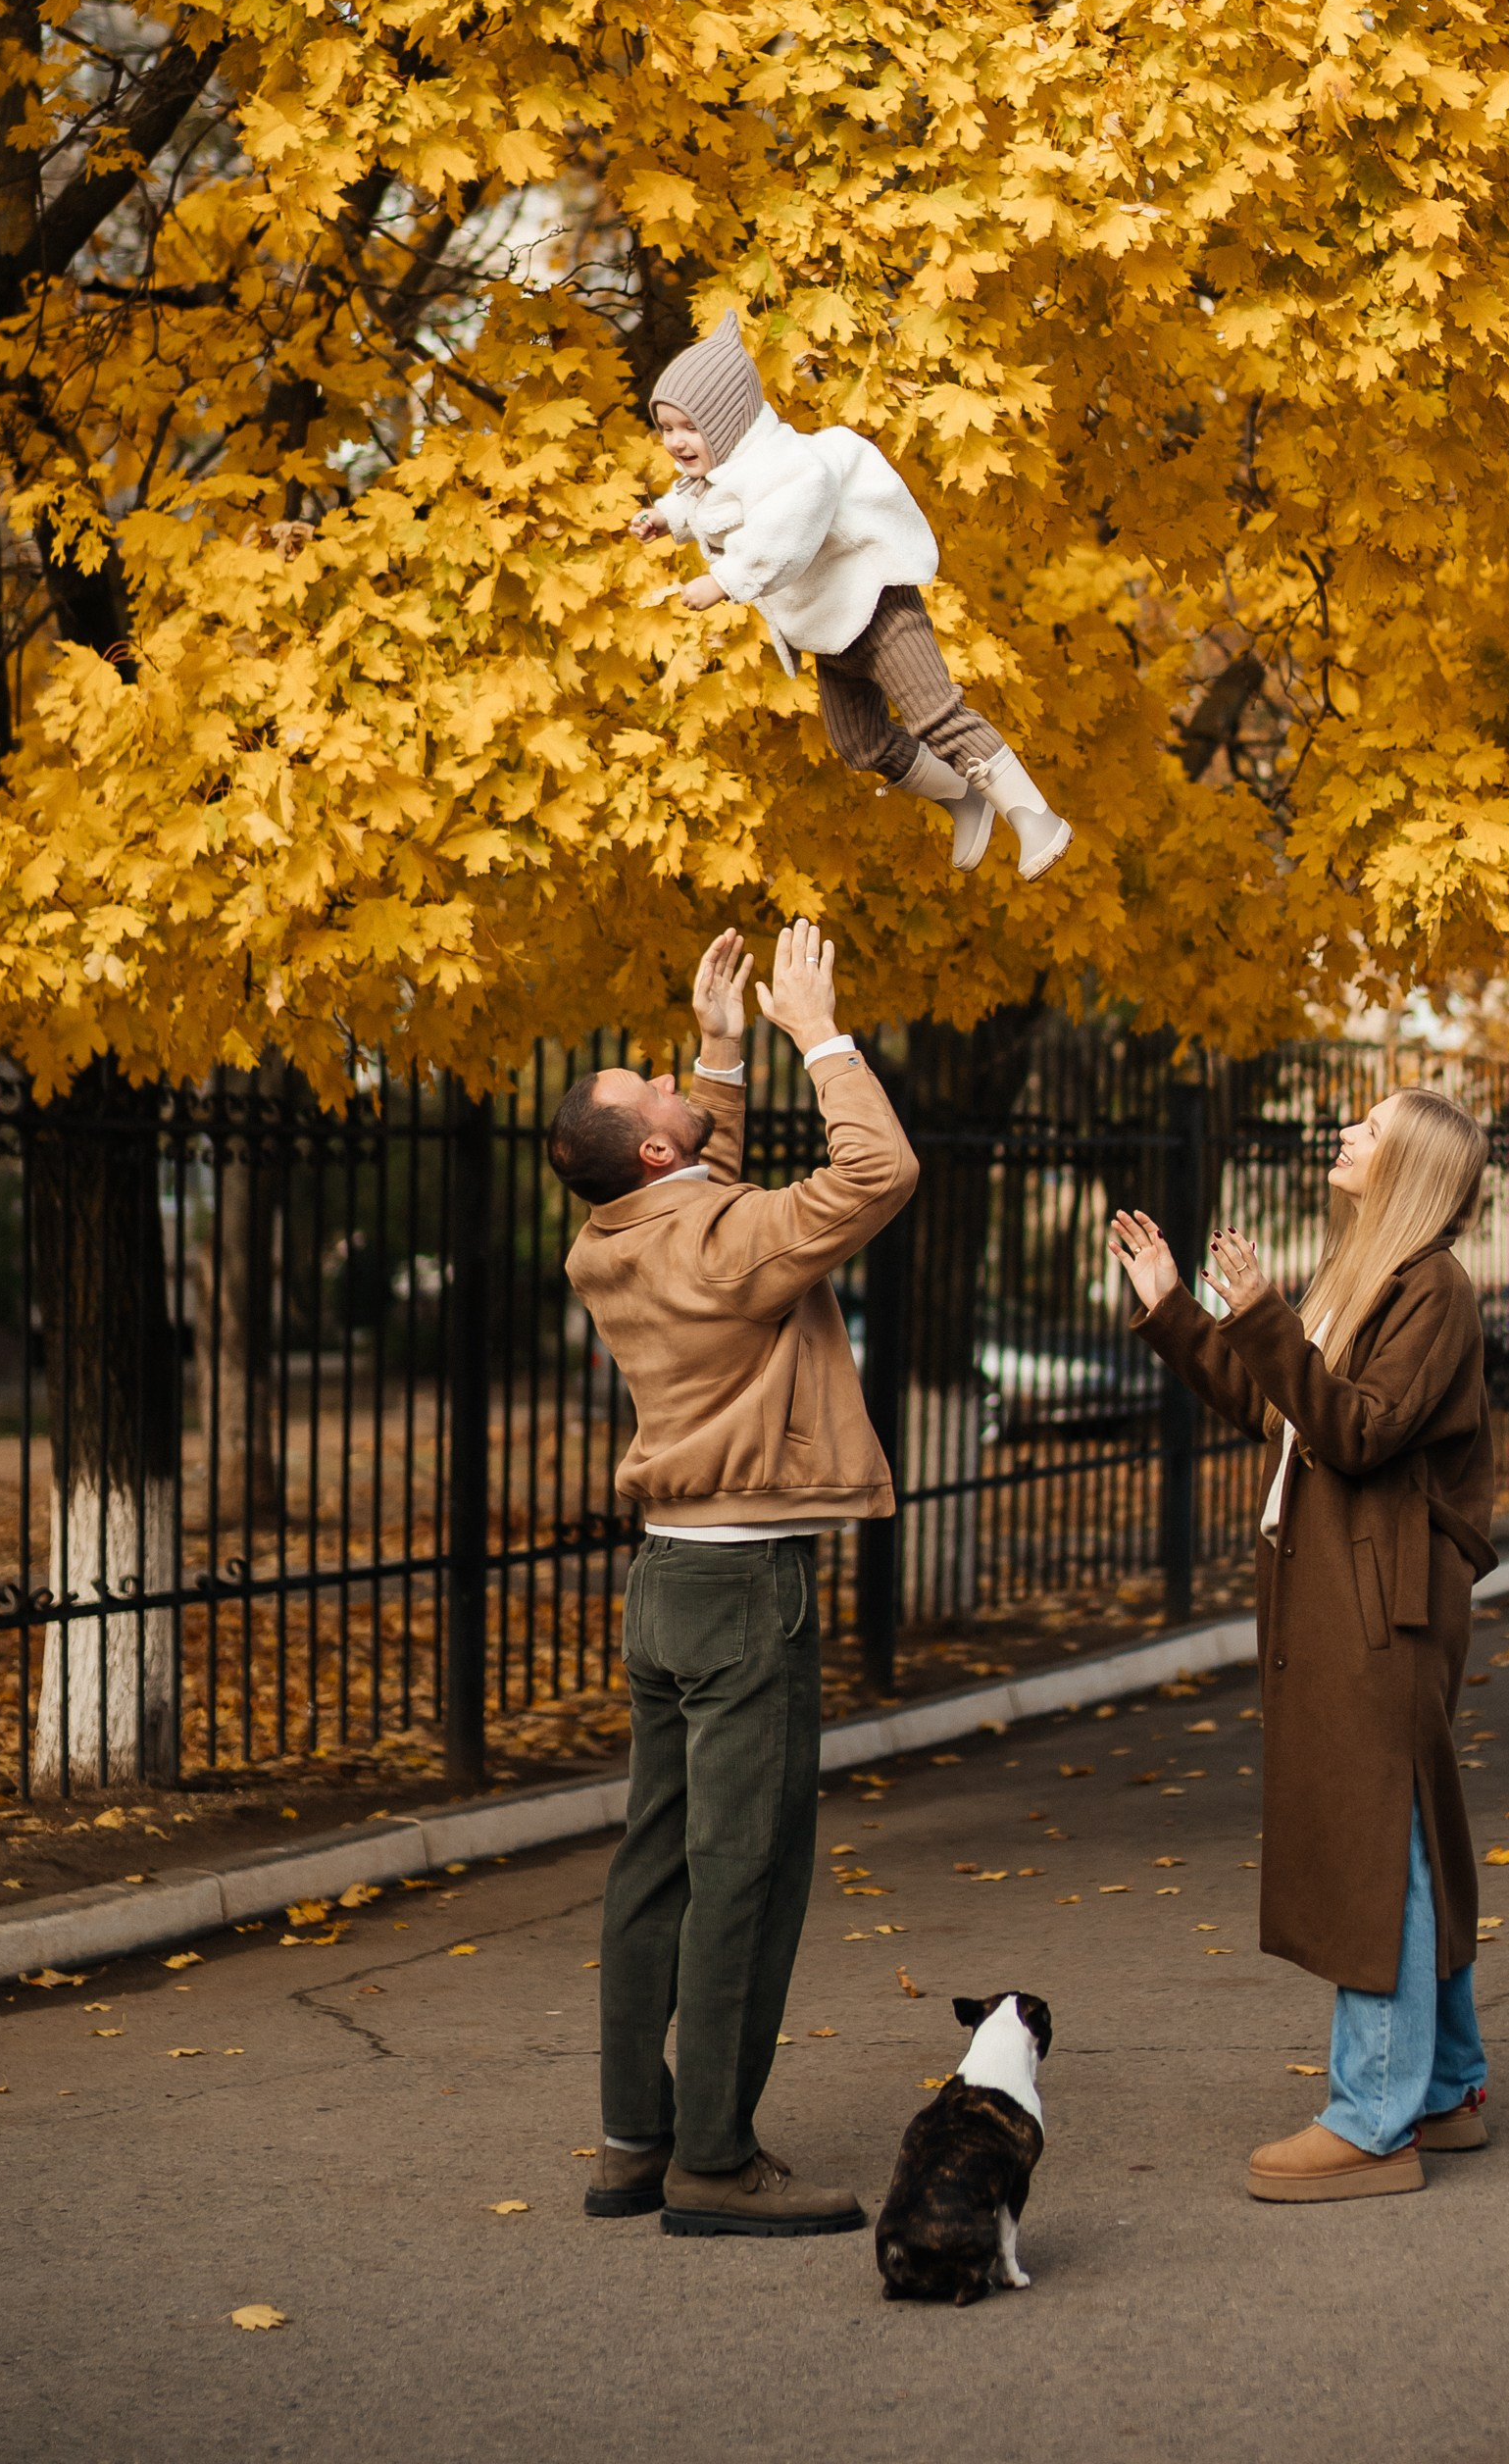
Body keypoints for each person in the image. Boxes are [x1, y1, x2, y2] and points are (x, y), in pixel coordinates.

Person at [553, 919, 917, 2238]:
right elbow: (876, 1173)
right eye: (652, 1089)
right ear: (652, 1149)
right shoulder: (713, 1238)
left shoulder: (611, 1240)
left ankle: (629, 2142)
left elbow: (707, 1209)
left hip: (666, 1584)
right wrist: (817, 1035)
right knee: (743, 1873)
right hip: (747, 1590)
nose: (665, 1079)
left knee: (655, 1864)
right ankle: (714, 2158)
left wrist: (717, 1058)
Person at [1108, 1086, 1496, 2202]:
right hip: (1349, 1590)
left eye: (1367, 1130)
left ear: (1411, 1163)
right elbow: (1285, 1413)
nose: (1346, 1137)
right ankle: (1447, 2087)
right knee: (1404, 1829)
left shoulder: (1434, 1290)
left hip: (1384, 1601)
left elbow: (1358, 1432)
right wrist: (1181, 1312)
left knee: (1374, 1844)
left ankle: (1375, 2120)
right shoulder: (1371, 1276)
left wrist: (1269, 1315)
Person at [631, 307, 1072, 880]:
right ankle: (962, 795)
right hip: (830, 627)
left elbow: (782, 528)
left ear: (728, 422)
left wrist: (723, 581)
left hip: (875, 606)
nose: (676, 442)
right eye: (666, 429)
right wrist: (666, 519)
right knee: (858, 744)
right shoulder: (727, 470)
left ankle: (1037, 819)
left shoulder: (790, 465)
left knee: (936, 716)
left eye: (689, 428)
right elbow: (704, 500)